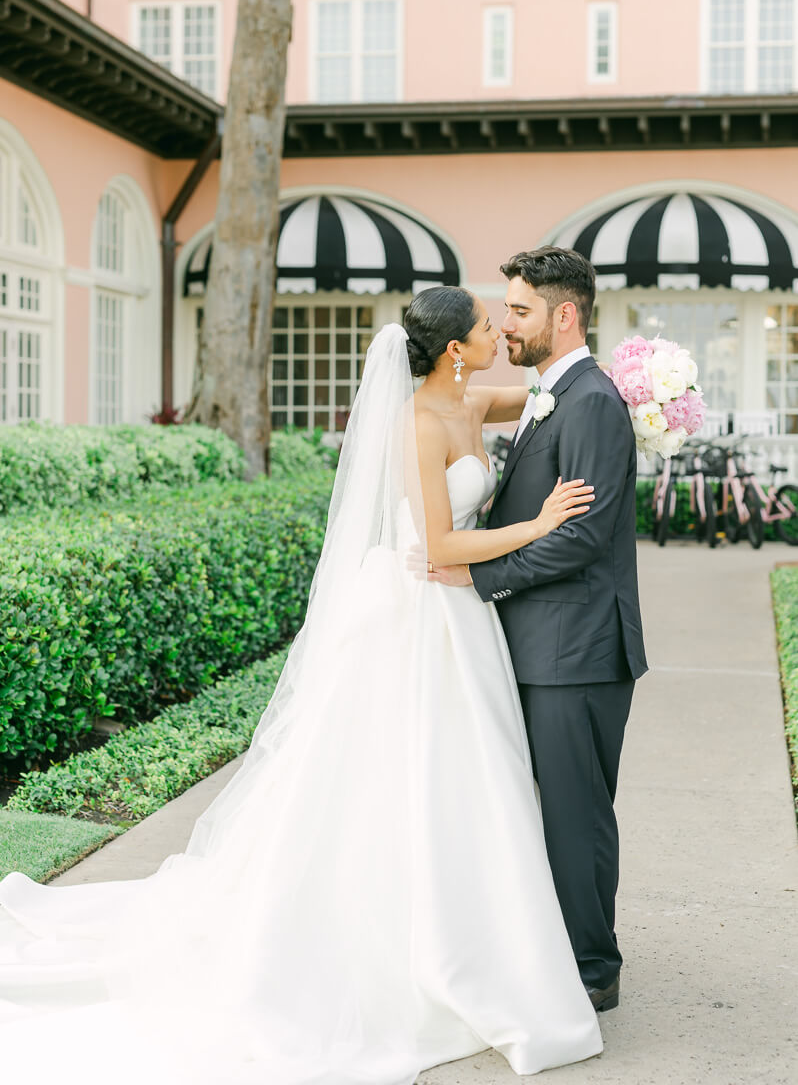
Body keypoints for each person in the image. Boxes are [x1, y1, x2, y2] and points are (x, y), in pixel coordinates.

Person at [0, 284, 604, 1085]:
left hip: (461, 622)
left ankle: (474, 929)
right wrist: (539, 522)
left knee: (469, 779)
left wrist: (634, 384)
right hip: (415, 613)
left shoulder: (473, 397)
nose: (501, 333)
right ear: (456, 348)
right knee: (397, 774)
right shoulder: (418, 421)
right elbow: (439, 539)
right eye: (490, 327)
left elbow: (551, 393)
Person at [429, 247, 648, 1014]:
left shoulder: (587, 400)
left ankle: (592, 971)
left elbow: (582, 538)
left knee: (575, 813)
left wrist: (479, 578)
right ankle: (551, 949)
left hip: (577, 651)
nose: (507, 323)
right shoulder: (548, 393)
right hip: (538, 645)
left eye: (518, 310)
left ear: (564, 314)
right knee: (534, 812)